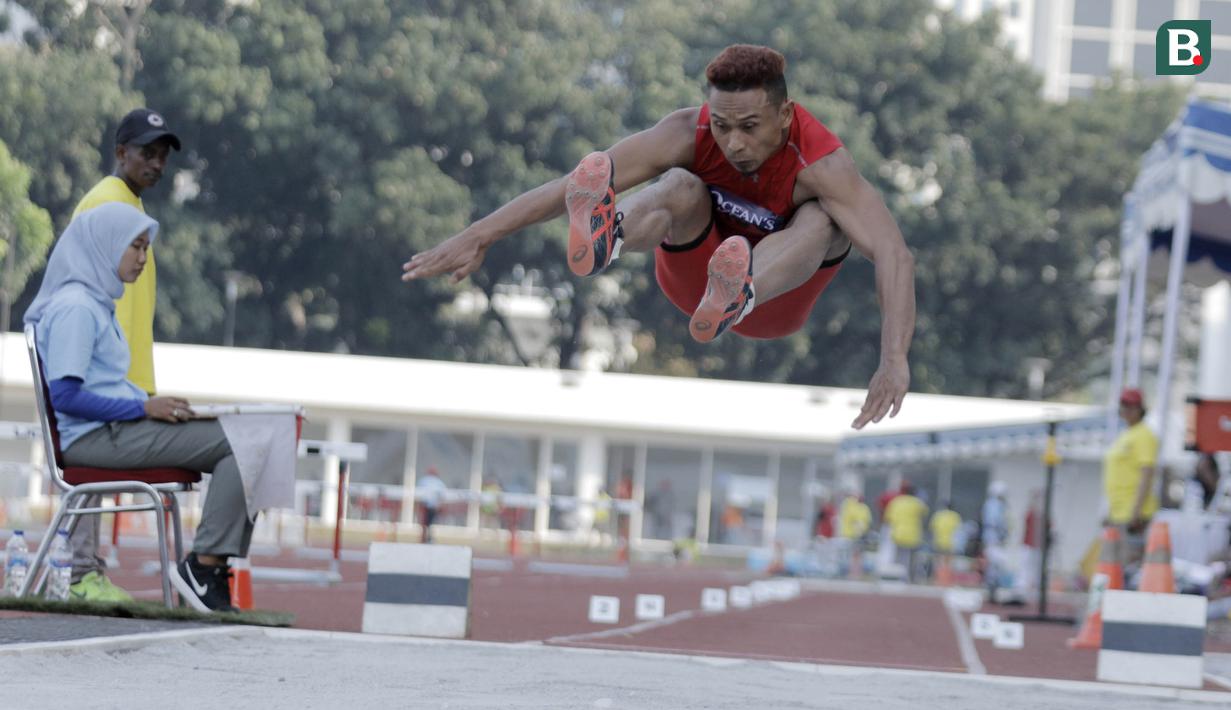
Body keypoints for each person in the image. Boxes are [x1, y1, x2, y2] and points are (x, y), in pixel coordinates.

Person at [403, 44, 915, 431]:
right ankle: (611, 233)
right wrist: (479, 233)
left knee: (824, 222)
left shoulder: (823, 165)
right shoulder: (685, 133)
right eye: (721, 125)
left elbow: (893, 254)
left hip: (774, 304)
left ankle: (743, 286)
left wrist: (893, 359)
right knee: (677, 184)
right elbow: (571, 183)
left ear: (784, 116)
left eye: (750, 127)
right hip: (692, 273)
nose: (733, 142)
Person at [24, 203, 259, 613]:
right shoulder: (76, 308)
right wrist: (144, 407)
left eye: (146, 248)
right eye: (135, 246)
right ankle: (203, 570)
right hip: (95, 439)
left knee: (252, 438)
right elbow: (64, 397)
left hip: (116, 430)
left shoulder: (96, 303)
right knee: (243, 441)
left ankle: (209, 567)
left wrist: (155, 408)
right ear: (104, 246)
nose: (142, 258)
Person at [61, 108, 181, 603]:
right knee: (89, 479)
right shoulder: (104, 205)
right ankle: (80, 574)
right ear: (120, 153)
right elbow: (82, 297)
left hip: (123, 375)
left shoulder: (127, 206)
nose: (155, 164)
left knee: (97, 482)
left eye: (162, 156)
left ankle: (84, 572)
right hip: (100, 377)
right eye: (145, 153)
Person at [1103, 388, 1159, 561]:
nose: (1126, 411)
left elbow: (1146, 474)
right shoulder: (1126, 434)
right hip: (1119, 511)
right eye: (1123, 406)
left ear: (1140, 409)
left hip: (1132, 512)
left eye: (1130, 406)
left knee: (1128, 562)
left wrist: (1136, 511)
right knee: (1114, 562)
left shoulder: (1144, 435)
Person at [884, 482, 928, 582]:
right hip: (913, 535)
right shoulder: (918, 503)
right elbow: (925, 514)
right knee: (913, 560)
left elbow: (888, 519)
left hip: (898, 534)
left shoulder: (896, 502)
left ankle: (897, 578)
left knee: (899, 558)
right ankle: (911, 579)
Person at [416, 466, 448, 543]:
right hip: (427, 506)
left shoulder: (426, 481)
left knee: (428, 523)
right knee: (426, 523)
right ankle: (425, 538)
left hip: (431, 506)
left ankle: (427, 538)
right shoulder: (434, 482)